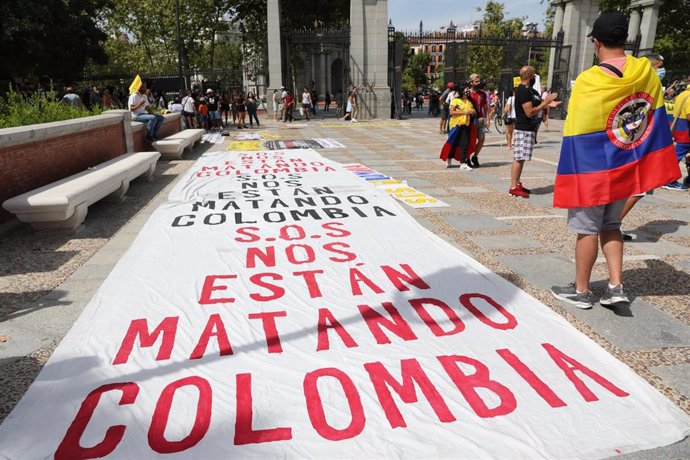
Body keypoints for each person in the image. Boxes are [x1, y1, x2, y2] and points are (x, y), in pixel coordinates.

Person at [551, 12, 680, 309]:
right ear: (626, 40)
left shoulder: (589, 80)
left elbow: (578, 130)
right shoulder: (645, 71)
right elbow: (650, 114)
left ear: (596, 42)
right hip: (626, 165)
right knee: (611, 225)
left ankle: (581, 291)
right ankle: (615, 286)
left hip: (595, 169)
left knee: (587, 229)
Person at [510, 66, 556, 198]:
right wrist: (545, 103)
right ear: (530, 76)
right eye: (534, 75)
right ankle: (513, 186)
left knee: (522, 158)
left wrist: (551, 103)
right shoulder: (523, 91)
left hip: (528, 128)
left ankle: (517, 183)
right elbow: (529, 112)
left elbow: (539, 102)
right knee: (519, 157)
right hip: (523, 128)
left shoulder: (529, 90)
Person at [441, 87, 476, 169]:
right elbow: (451, 112)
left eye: (468, 92)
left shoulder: (469, 102)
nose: (467, 93)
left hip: (466, 125)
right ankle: (449, 157)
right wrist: (464, 112)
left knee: (464, 143)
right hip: (456, 125)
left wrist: (473, 112)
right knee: (453, 142)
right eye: (465, 91)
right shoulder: (455, 100)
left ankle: (463, 162)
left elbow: (473, 111)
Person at [467, 73, 490, 167]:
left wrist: (488, 119)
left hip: (480, 119)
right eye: (476, 81)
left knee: (481, 139)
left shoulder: (482, 93)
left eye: (479, 81)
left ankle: (475, 156)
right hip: (469, 120)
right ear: (471, 82)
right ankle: (467, 158)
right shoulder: (467, 92)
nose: (478, 83)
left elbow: (485, 107)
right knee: (470, 140)